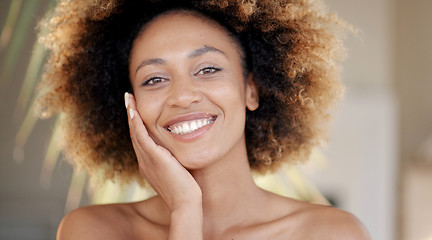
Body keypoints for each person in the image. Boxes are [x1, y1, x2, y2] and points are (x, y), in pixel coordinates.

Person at [37, 0, 370, 239]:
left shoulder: (330, 234)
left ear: (251, 90)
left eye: (208, 69)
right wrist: (185, 210)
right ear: (131, 106)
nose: (183, 96)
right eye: (154, 79)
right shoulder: (95, 231)